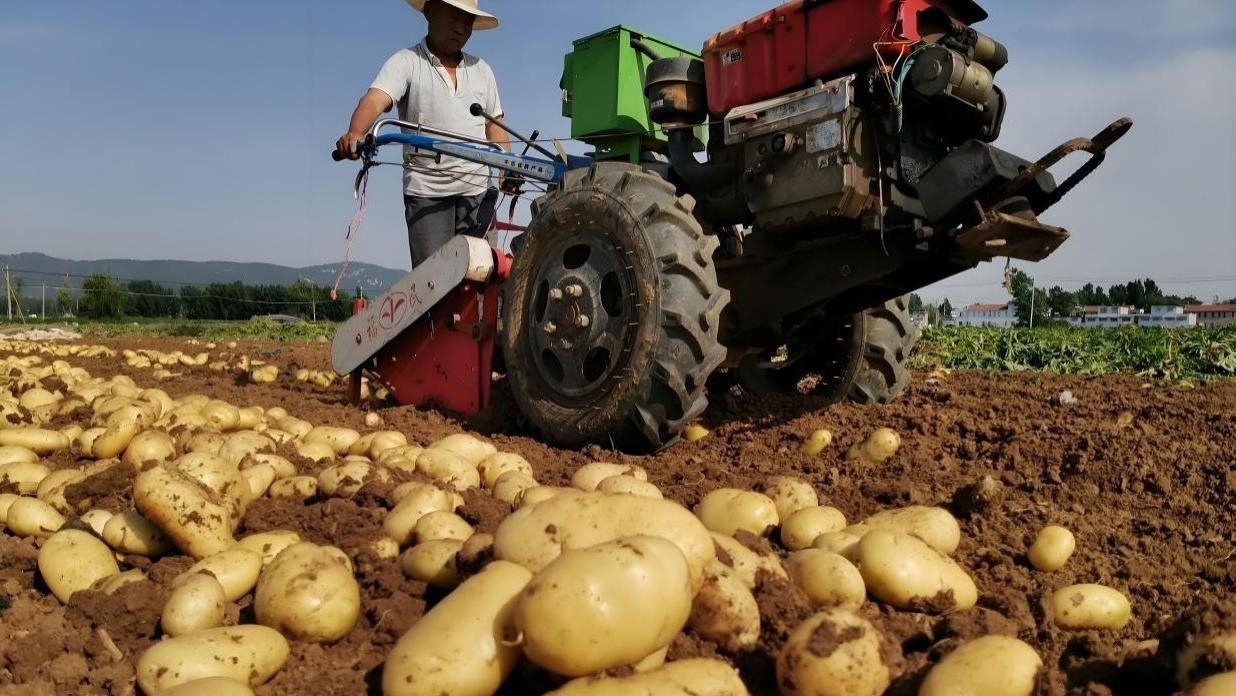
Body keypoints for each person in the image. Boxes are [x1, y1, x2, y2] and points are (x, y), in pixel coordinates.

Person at [336, 0, 509, 269]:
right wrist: (356, 133)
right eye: (454, 16)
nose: (461, 27)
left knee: (481, 276)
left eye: (468, 21)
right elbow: (374, 100)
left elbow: (494, 125)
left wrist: (507, 166)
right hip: (427, 195)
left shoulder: (482, 70)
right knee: (434, 283)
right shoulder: (407, 62)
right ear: (430, 11)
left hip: (477, 193)